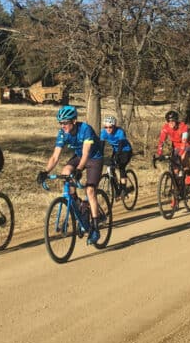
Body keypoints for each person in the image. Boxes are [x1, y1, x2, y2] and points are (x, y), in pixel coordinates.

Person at [39, 105, 104, 245]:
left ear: (74, 121)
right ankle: (77, 203)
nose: (63, 126)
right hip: (79, 156)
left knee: (90, 190)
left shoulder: (85, 129)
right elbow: (55, 157)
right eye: (60, 123)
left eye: (65, 123)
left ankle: (95, 228)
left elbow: (86, 154)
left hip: (94, 158)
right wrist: (45, 172)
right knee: (65, 172)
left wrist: (79, 169)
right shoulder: (62, 133)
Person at [155, 109, 190, 183]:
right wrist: (159, 153)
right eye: (169, 121)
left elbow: (184, 140)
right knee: (175, 167)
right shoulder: (165, 128)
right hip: (176, 146)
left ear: (176, 121)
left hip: (186, 145)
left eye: (173, 121)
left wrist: (182, 152)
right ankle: (177, 186)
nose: (171, 123)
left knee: (183, 158)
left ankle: (188, 176)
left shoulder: (183, 126)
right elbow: (161, 141)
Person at [100, 115, 132, 198]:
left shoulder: (120, 132)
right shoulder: (103, 132)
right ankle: (117, 190)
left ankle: (124, 189)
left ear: (114, 126)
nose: (108, 129)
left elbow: (121, 144)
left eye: (110, 127)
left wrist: (117, 156)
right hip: (116, 150)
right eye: (106, 127)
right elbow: (101, 145)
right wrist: (99, 154)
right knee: (111, 167)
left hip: (126, 150)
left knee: (121, 166)